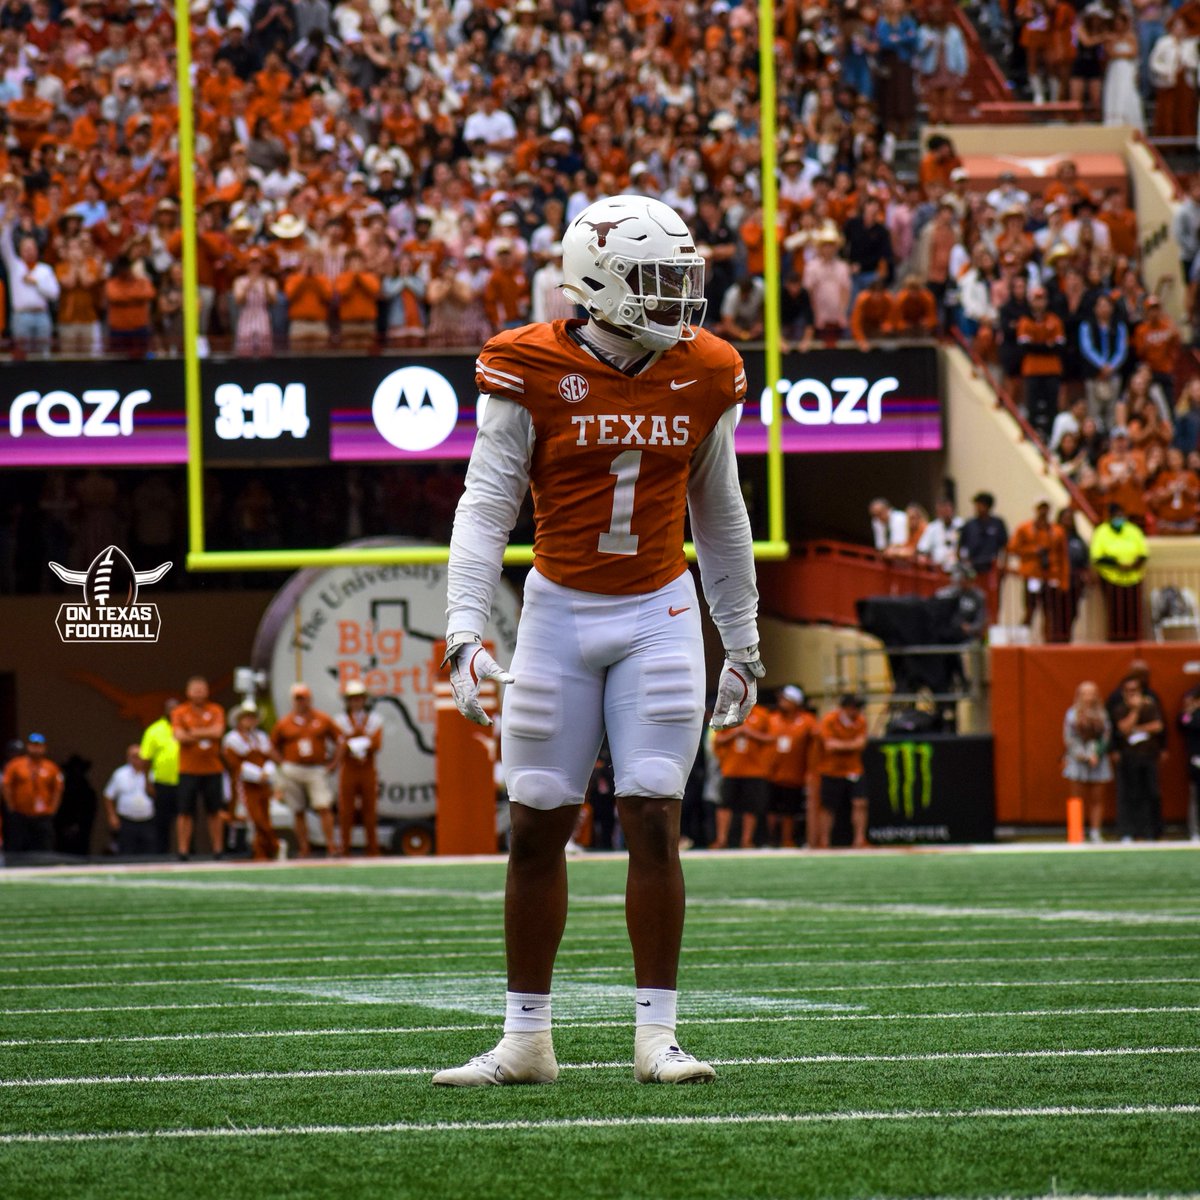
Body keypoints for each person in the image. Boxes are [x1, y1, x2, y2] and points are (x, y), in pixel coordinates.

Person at [434, 194, 762, 1089]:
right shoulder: (526, 362)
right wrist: (465, 627)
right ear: (598, 280)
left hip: (658, 609)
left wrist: (742, 640)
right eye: (658, 281)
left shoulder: (706, 368)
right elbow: (486, 505)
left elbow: (721, 516)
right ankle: (526, 1041)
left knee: (655, 814)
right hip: (558, 612)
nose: (679, 301)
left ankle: (658, 1037)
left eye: (682, 280)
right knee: (536, 825)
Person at [271, 682, 341, 858]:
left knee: (323, 806)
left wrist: (333, 764)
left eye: (305, 698)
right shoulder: (285, 723)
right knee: (298, 809)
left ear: (310, 699)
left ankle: (331, 846)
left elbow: (340, 740)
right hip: (293, 769)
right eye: (298, 699)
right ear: (293, 701)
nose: (302, 702)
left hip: (316, 769)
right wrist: (283, 764)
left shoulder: (322, 719)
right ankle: (304, 848)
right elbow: (271, 746)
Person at [171, 676, 227, 860]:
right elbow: (179, 736)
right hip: (188, 769)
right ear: (188, 692)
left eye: (202, 689)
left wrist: (193, 732)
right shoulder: (180, 711)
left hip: (212, 768)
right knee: (185, 811)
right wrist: (205, 733)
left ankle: (218, 849)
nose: (199, 693)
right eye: (195, 689)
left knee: (215, 811)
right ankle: (183, 850)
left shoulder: (215, 709)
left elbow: (218, 732)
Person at [223, 700, 280, 862]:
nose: (250, 721)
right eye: (246, 717)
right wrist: (256, 775)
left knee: (265, 816)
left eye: (252, 717)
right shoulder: (232, 739)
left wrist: (267, 773)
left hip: (263, 784)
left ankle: (265, 850)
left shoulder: (261, 737)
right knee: (254, 819)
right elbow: (234, 764)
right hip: (245, 784)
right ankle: (270, 846)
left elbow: (269, 756)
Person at [712, 700, 774, 849]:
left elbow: (771, 738)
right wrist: (735, 733)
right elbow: (718, 738)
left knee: (751, 806)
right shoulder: (727, 712)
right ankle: (721, 840)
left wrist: (750, 734)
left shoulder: (762, 714)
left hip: (754, 770)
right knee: (724, 804)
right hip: (731, 769)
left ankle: (746, 840)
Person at [1110, 673, 1164, 840]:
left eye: (1135, 690)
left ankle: (1152, 832)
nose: (1131, 693)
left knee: (1152, 793)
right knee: (1130, 794)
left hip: (1148, 755)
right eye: (1128, 690)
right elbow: (1125, 728)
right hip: (1129, 757)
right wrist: (1135, 709)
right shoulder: (1119, 708)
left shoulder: (1151, 705)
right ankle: (1129, 831)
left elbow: (1158, 726)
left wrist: (1139, 729)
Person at [333, 679, 383, 857]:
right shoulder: (340, 720)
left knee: (370, 811)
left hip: (367, 769)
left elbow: (376, 744)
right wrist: (361, 738)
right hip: (349, 770)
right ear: (348, 701)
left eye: (359, 698)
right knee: (346, 811)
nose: (356, 702)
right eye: (353, 698)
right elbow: (341, 745)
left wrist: (353, 739)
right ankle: (344, 848)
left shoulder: (375, 720)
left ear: (364, 700)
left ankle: (373, 849)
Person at [1007, 498, 1070, 640]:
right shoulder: (1025, 528)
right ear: (1035, 509)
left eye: (1046, 507)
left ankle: (1048, 643)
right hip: (1032, 575)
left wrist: (1064, 580)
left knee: (1050, 613)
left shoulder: (1057, 531)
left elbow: (1063, 557)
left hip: (1051, 576)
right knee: (1030, 610)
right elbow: (1012, 548)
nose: (1043, 511)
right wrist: (1033, 551)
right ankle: (1021, 642)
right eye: (1041, 507)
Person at [815, 695, 869, 849]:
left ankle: (859, 840)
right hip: (831, 770)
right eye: (853, 708)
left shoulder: (860, 721)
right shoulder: (830, 720)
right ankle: (824, 841)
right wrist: (851, 745)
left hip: (854, 769)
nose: (856, 711)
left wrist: (843, 745)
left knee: (860, 803)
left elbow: (861, 744)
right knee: (828, 806)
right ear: (845, 707)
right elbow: (829, 745)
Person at [767, 685, 817, 849]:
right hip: (771, 773)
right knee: (771, 809)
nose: (781, 701)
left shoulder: (807, 720)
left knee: (790, 810)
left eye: (785, 699)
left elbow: (817, 739)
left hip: (794, 774)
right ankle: (771, 840)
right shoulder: (772, 718)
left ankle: (787, 840)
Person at [1090, 502, 1149, 641]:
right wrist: (1118, 565)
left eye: (1121, 515)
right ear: (1110, 516)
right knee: (1116, 614)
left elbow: (1143, 553)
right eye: (1116, 515)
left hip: (1133, 578)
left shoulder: (1133, 530)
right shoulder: (1101, 531)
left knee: (1133, 613)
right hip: (1111, 579)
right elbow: (1097, 556)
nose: (1119, 518)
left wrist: (1133, 565)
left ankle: (1135, 640)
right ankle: (1116, 642)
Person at [1062, 682, 1112, 843]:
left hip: (1098, 759)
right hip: (1078, 759)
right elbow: (1069, 738)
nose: (1089, 697)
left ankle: (1096, 832)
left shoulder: (1102, 714)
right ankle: (1077, 831)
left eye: (1092, 693)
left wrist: (1096, 753)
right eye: (1085, 693)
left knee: (1097, 797)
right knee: (1077, 798)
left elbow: (1106, 735)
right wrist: (1083, 755)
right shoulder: (1072, 714)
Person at [0, 733, 63, 856]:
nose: (36, 748)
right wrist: (10, 806)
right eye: (33, 745)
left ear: (44, 748)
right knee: (16, 848)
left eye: (39, 746)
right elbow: (6, 785)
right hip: (19, 815)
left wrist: (53, 809)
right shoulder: (16, 765)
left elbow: (58, 790)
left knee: (43, 848)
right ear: (28, 746)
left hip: (42, 816)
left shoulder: (51, 767)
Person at [139, 697, 179, 855]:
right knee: (162, 821)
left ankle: (188, 852)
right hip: (162, 782)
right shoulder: (154, 730)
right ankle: (161, 854)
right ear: (165, 710)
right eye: (171, 708)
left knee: (186, 818)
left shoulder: (187, 729)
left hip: (184, 780)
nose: (174, 712)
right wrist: (146, 782)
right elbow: (145, 758)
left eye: (177, 708)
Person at [102, 744, 157, 856]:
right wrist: (112, 816)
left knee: (149, 854)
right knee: (126, 852)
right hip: (127, 821)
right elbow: (108, 795)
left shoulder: (152, 773)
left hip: (148, 821)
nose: (137, 759)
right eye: (134, 756)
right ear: (128, 758)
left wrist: (146, 774)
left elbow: (154, 794)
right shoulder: (120, 774)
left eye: (140, 756)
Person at [1176, 682, 1200, 842]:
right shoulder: (1187, 715)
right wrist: (1189, 711)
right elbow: (1184, 723)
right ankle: (1194, 830)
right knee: (1195, 796)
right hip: (1195, 759)